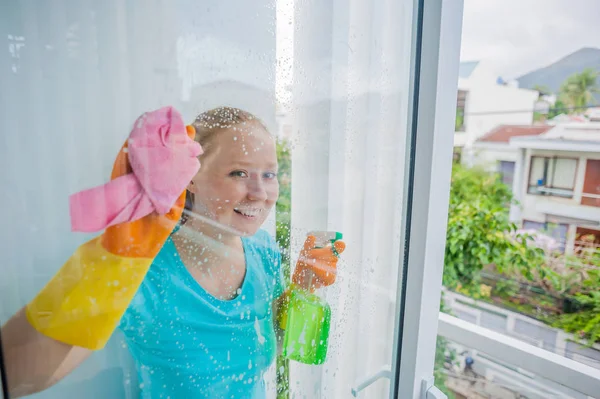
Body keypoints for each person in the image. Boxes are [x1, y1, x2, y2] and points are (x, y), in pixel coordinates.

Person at [1, 106, 346, 398]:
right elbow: (18, 378)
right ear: (192, 178)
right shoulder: (143, 267)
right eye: (238, 172)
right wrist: (112, 264)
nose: (260, 193)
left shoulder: (263, 251)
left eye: (269, 174)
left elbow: (276, 338)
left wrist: (304, 288)